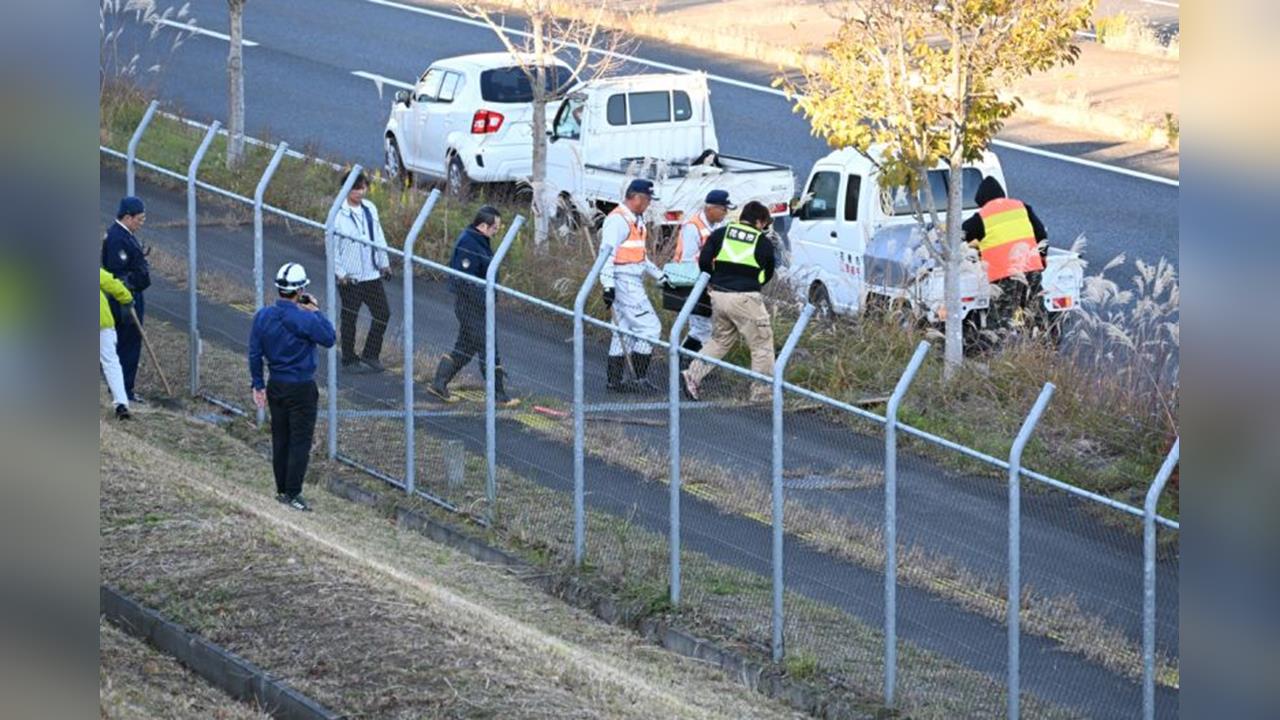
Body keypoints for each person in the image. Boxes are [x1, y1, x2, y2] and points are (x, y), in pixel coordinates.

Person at [249, 263, 336, 512]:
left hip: (275, 383)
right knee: (300, 441)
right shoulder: (305, 318)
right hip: (301, 387)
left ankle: (281, 489)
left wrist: (258, 383)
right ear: (300, 291)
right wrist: (316, 311)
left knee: (281, 438)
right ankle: (294, 492)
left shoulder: (263, 316)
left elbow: (255, 353)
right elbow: (329, 338)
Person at [680, 200, 778, 403]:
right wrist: (752, 282)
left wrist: (714, 279)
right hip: (745, 297)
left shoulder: (720, 233)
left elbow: (705, 260)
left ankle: (693, 374)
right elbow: (767, 272)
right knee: (762, 344)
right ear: (759, 222)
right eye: (764, 224)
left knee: (720, 340)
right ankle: (762, 393)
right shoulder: (762, 242)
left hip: (719, 294)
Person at [427, 206, 520, 408]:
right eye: (495, 227)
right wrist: (483, 298)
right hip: (471, 305)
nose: (497, 231)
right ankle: (499, 394)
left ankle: (439, 383)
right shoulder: (469, 243)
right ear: (483, 225)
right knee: (488, 346)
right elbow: (464, 280)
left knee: (465, 347)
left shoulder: (480, 240)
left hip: (479, 305)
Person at [600, 179, 664, 392]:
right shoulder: (618, 221)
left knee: (624, 331)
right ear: (636, 197)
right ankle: (639, 379)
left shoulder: (636, 220)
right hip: (624, 281)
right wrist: (608, 285)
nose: (648, 204)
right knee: (650, 328)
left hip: (630, 279)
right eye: (647, 200)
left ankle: (615, 380)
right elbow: (606, 255)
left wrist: (659, 276)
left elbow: (640, 256)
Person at [961, 176, 1048, 328]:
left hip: (1003, 277)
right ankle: (1045, 346)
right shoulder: (1022, 207)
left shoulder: (981, 216)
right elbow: (1041, 235)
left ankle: (1000, 350)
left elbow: (959, 236)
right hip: (1031, 269)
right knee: (1036, 312)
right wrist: (1042, 257)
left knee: (1001, 320)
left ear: (982, 201)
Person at [334, 172, 392, 372]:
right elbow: (332, 248)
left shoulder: (370, 209)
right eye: (355, 188)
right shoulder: (338, 214)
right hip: (350, 278)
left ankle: (370, 354)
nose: (360, 192)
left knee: (382, 313)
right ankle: (348, 359)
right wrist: (340, 273)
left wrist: (384, 263)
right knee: (350, 318)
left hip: (371, 273)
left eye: (363, 187)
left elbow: (379, 237)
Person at [669, 189, 734, 369]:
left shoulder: (718, 226)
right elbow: (689, 260)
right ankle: (684, 366)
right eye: (723, 209)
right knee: (701, 328)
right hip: (692, 282)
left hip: (707, 283)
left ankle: (685, 365)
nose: (725, 213)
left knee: (704, 328)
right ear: (711, 208)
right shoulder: (693, 226)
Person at [102, 196, 151, 404]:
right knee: (127, 344)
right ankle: (124, 391)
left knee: (129, 344)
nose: (141, 223)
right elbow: (117, 274)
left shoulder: (127, 235)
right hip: (124, 302)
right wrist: (134, 282)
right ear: (128, 217)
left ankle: (124, 388)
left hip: (131, 296)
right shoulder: (116, 238)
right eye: (139, 219)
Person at [99, 268, 134, 420]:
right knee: (111, 362)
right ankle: (121, 403)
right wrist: (127, 298)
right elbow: (110, 282)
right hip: (102, 321)